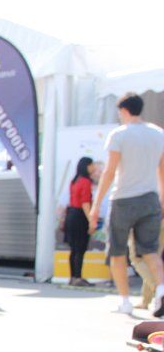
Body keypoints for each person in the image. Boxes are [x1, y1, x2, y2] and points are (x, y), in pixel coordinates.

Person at [88, 93, 164, 316]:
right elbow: (162, 171)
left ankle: (125, 302)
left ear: (123, 110)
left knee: (118, 252)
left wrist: (96, 204)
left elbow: (110, 171)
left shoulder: (119, 134)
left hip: (123, 199)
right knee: (150, 251)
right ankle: (161, 291)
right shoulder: (158, 134)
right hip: (150, 198)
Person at [64, 157, 95, 287]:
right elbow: (85, 203)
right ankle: (78, 277)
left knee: (74, 249)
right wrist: (91, 221)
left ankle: (73, 277)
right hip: (80, 217)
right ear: (86, 166)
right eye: (92, 165)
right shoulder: (86, 182)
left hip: (71, 215)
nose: (94, 167)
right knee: (80, 248)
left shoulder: (74, 181)